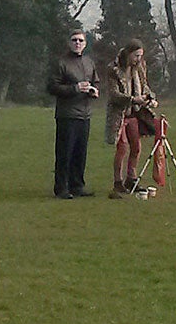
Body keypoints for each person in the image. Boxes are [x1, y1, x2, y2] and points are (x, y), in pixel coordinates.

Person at [105, 39, 165, 196]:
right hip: (119, 114)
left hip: (134, 113)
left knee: (136, 147)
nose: (139, 59)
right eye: (136, 55)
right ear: (129, 53)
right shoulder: (114, 69)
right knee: (122, 147)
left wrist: (150, 98)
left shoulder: (139, 68)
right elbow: (113, 94)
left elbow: (145, 86)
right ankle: (117, 182)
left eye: (141, 56)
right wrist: (132, 99)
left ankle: (131, 179)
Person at [47, 27, 99, 198]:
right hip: (67, 115)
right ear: (69, 43)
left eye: (81, 40)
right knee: (64, 153)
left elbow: (95, 82)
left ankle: (77, 185)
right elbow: (52, 87)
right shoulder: (61, 63)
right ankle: (61, 188)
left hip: (85, 114)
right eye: (74, 40)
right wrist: (75, 88)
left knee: (80, 153)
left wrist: (94, 91)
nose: (77, 43)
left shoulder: (89, 62)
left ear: (85, 44)